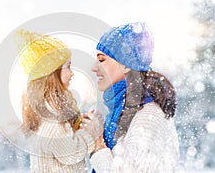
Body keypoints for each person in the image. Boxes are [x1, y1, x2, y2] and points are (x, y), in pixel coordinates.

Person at [84, 22, 179, 172]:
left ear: (127, 65)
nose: (94, 67)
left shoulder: (147, 116)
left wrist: (98, 143)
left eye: (102, 60)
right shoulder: (125, 110)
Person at [17, 30, 103, 173]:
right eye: (68, 66)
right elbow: (71, 153)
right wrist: (91, 131)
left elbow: (63, 145)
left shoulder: (47, 111)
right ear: (52, 73)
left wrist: (80, 128)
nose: (72, 72)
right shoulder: (51, 118)